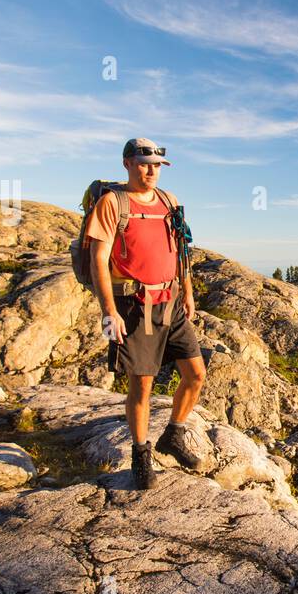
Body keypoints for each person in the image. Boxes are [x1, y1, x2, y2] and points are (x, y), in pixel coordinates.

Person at [82, 138, 207, 489]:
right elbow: (98, 261)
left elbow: (179, 248)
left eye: (156, 165)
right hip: (135, 305)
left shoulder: (170, 201)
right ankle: (140, 454)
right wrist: (110, 310)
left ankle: (174, 433)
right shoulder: (112, 203)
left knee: (196, 374)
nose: (151, 171)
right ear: (127, 163)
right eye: (143, 163)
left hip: (171, 301)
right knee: (142, 384)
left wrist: (188, 292)